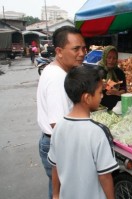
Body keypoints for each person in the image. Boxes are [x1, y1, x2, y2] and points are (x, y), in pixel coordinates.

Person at [48, 67, 119, 199]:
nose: (102, 96)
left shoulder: (58, 128)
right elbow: (105, 176)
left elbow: (55, 166)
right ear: (87, 98)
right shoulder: (97, 132)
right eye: (99, 93)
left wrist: (56, 194)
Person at [36, 26, 86, 199]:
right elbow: (57, 125)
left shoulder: (57, 70)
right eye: (75, 49)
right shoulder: (58, 78)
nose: (82, 53)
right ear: (59, 51)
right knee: (63, 192)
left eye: (83, 48)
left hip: (52, 142)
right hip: (58, 144)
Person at [98, 45, 127, 110]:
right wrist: (99, 86)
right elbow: (90, 90)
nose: (111, 60)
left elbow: (124, 89)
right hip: (100, 108)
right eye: (109, 57)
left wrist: (117, 92)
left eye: (114, 58)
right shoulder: (97, 71)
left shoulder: (119, 72)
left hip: (117, 108)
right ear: (104, 57)